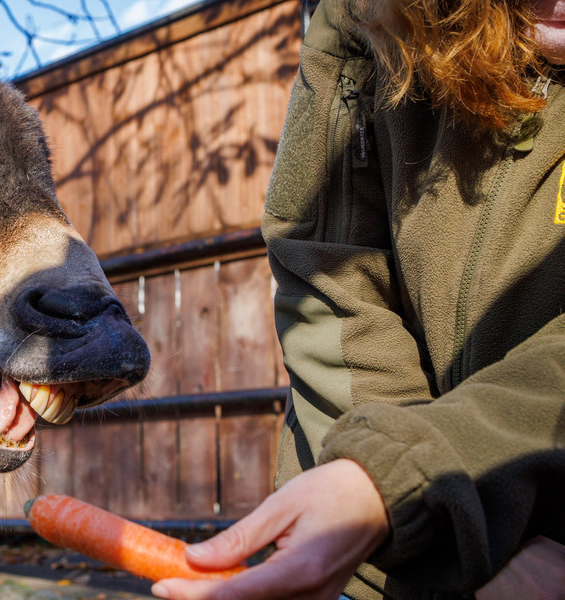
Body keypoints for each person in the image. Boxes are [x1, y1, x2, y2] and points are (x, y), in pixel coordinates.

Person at [152, 0, 565, 598]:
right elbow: (325, 263)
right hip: (362, 548)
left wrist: (417, 479)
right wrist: (390, 487)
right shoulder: (369, 16)